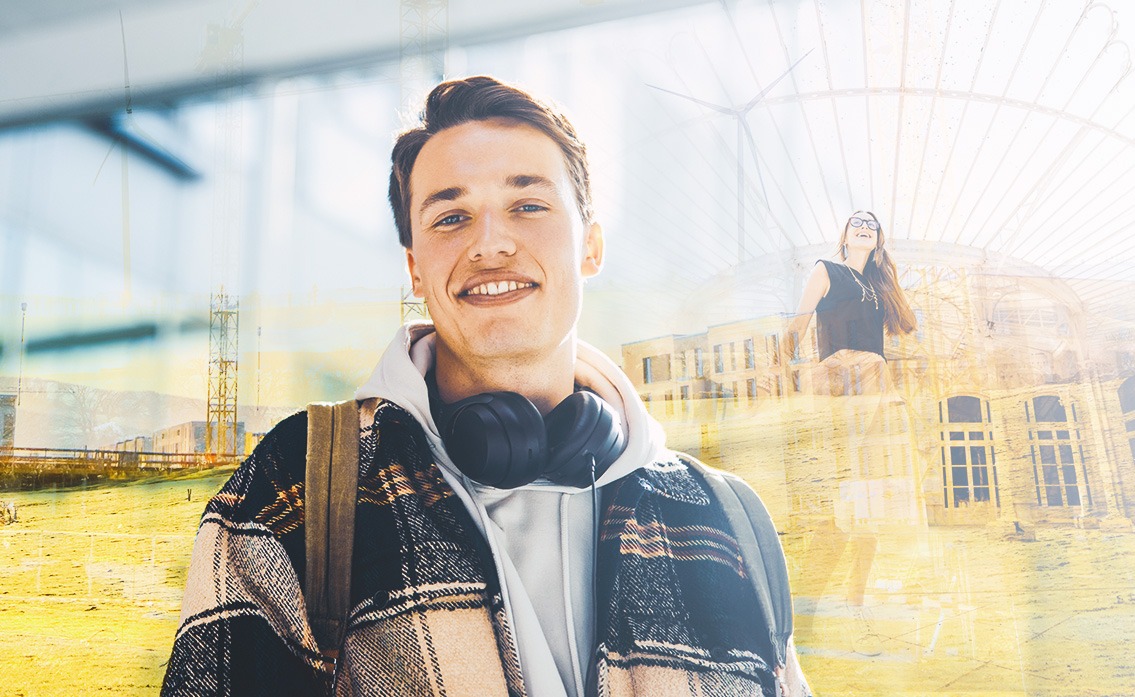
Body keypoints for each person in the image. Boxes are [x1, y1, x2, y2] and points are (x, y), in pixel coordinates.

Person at [161, 76, 810, 697]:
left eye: (527, 205)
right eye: (451, 217)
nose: (490, 243)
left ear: (591, 245)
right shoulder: (299, 480)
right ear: (414, 268)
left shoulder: (728, 519)